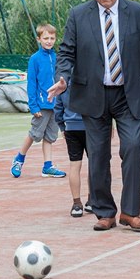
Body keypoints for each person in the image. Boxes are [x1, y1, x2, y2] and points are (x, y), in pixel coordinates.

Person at [47, 0, 140, 231]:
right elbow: (66, 53)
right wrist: (63, 79)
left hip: (129, 95)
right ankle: (105, 212)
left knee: (133, 147)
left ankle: (130, 213)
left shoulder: (137, 12)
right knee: (98, 155)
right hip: (92, 94)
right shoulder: (78, 15)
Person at [10, 23, 66, 179]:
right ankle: (19, 159)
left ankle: (48, 166)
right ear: (39, 39)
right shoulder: (35, 59)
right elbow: (32, 84)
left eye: (52, 38)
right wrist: (33, 106)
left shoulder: (57, 57)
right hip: (41, 106)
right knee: (34, 134)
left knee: (50, 137)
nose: (49, 41)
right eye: (46, 38)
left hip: (55, 105)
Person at [54, 80, 93, 217]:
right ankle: (91, 201)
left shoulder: (63, 81)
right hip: (91, 127)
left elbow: (58, 107)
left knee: (75, 165)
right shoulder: (91, 77)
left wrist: (62, 126)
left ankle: (77, 204)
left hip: (71, 127)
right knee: (94, 165)